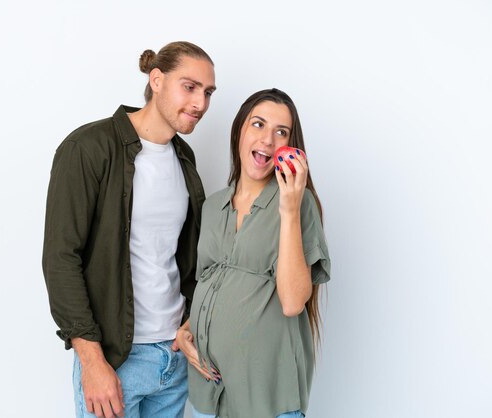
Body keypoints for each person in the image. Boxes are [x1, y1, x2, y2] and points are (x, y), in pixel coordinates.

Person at [42, 41, 216, 418]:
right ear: (156, 80)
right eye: (190, 87)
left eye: (208, 92)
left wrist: (190, 322)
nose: (200, 103)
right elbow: (60, 259)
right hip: (117, 359)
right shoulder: (88, 148)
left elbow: (184, 257)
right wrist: (91, 362)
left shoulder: (185, 159)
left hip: (173, 356)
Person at [174, 88, 331, 418]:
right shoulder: (213, 205)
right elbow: (211, 284)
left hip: (266, 398)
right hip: (208, 393)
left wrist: (289, 209)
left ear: (291, 146)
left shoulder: (299, 205)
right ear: (239, 131)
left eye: (281, 132)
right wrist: (188, 328)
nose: (268, 139)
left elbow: (292, 301)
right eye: (258, 124)